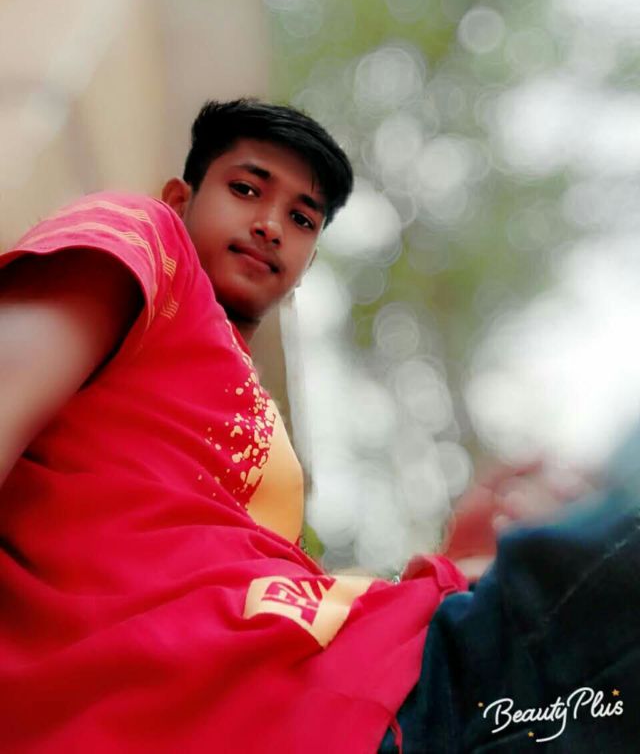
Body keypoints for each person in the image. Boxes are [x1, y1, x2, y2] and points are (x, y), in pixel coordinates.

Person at [1, 98, 639, 753]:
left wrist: (451, 563)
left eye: (302, 219)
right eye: (246, 189)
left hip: (354, 703)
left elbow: (263, 601)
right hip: (367, 709)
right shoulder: (146, 236)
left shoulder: (243, 421)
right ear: (178, 199)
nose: (271, 225)